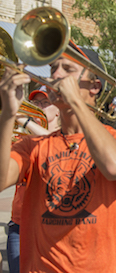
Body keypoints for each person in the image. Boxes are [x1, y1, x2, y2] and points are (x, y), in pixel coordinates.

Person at [0, 44, 116, 272]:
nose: (56, 75)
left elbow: (115, 166)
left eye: (67, 69)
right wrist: (9, 114)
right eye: (53, 68)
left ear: (95, 86)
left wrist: (76, 103)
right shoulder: (33, 145)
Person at [6, 87, 61, 273]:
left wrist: (23, 119)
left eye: (45, 103)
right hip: (19, 223)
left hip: (52, 225)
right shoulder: (22, 139)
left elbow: (54, 144)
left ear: (58, 109)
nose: (38, 107)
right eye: (36, 103)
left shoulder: (66, 136)